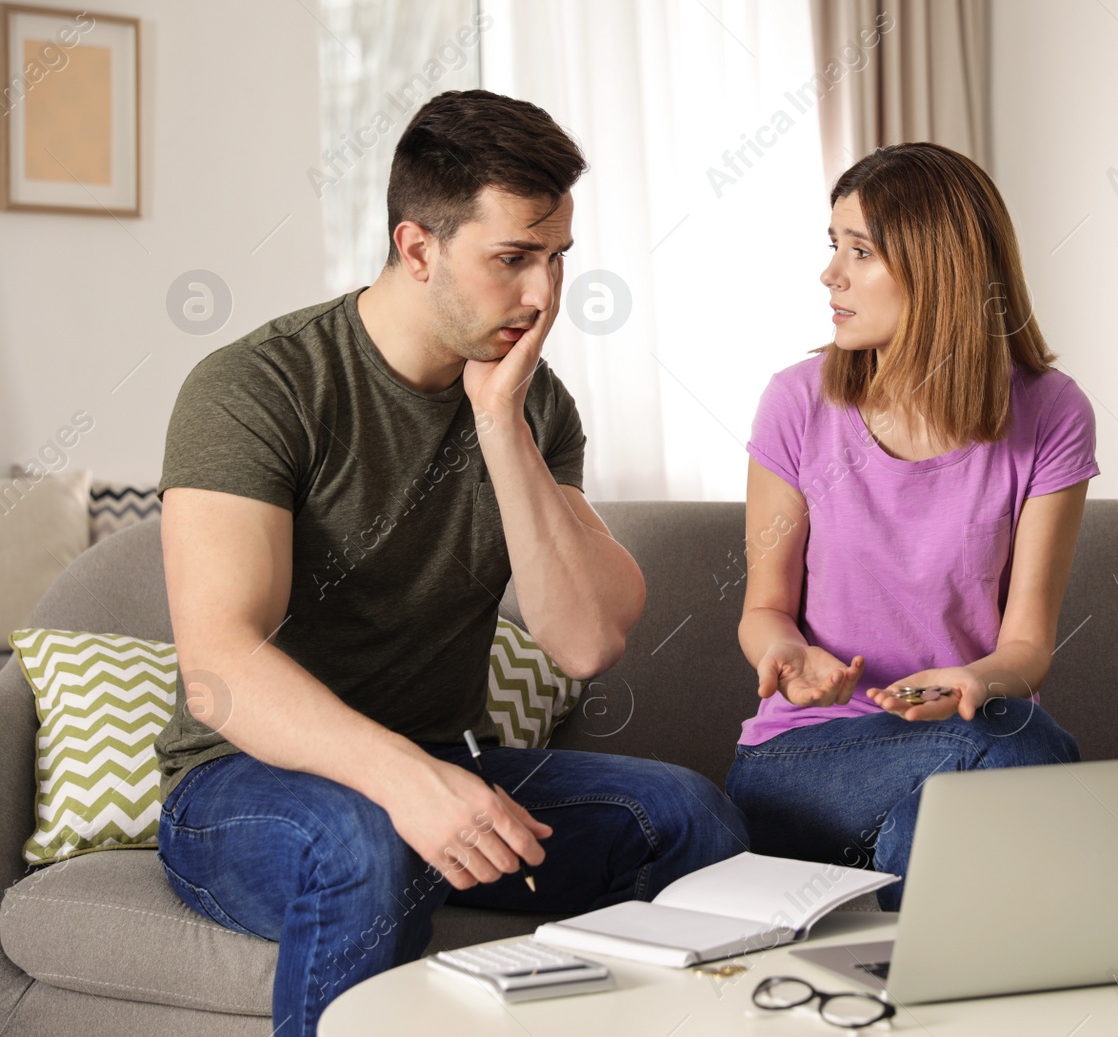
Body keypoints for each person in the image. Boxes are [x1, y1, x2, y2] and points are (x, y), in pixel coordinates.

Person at [154, 89, 747, 1036]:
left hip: (444, 761)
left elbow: (587, 637)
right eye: (512, 259)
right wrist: (403, 781)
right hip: (244, 783)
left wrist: (500, 423)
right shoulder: (259, 387)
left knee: (684, 814)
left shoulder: (530, 402)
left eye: (556, 260)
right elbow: (221, 666)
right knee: (364, 842)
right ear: (417, 247)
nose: (544, 296)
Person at [725, 142, 1097, 910]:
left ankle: (900, 997)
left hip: (969, 735)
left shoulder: (1052, 413)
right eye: (834, 246)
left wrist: (973, 679)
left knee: (946, 801)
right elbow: (762, 611)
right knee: (1025, 745)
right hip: (808, 757)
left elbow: (1027, 647)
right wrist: (790, 655)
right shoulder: (797, 403)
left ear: (939, 267)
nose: (831, 274)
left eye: (859, 251)